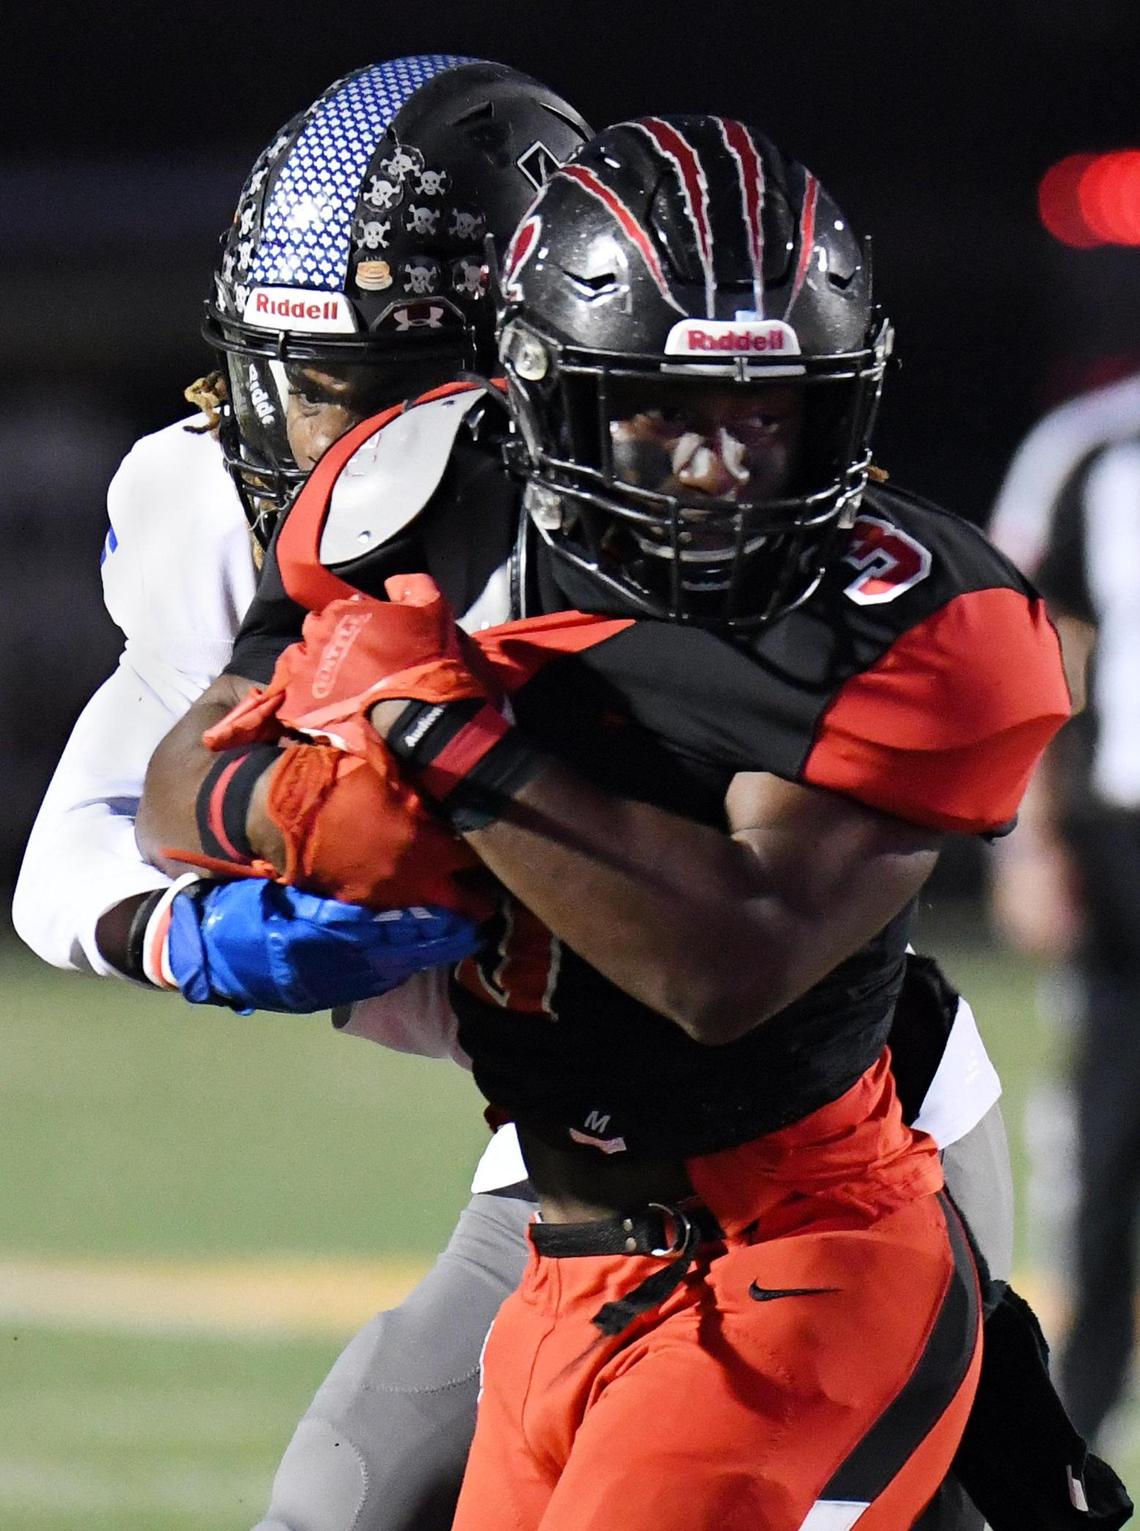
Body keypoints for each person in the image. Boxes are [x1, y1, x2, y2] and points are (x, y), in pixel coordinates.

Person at [138, 116, 1089, 1529]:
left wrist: (437, 739)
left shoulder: (919, 615)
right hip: (563, 1249)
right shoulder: (426, 494)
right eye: (665, 411)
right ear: (543, 395)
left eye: (770, 415)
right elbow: (180, 781)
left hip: (805, 1249)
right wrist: (297, 806)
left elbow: (727, 962)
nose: (722, 470)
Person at [13, 55, 595, 1531]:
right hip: (567, 1139)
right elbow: (68, 852)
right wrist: (182, 924)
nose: (322, 444)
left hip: (799, 1123)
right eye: (297, 381)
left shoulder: (646, 522)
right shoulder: (212, 498)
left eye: (375, 388)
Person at [990, 376, 1140, 1450]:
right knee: (1107, 1140)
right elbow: (1047, 646)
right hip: (1128, 843)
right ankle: (1080, 1416)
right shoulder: (1095, 446)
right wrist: (1033, 841)